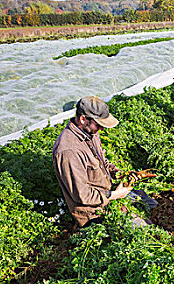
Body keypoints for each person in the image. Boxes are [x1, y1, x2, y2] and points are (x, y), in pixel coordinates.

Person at [53, 96, 157, 228]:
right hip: (93, 211)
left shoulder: (90, 132)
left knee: (152, 205)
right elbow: (83, 195)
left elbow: (102, 161)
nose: (101, 129)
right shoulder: (68, 151)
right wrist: (115, 195)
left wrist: (119, 174)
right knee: (144, 228)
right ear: (83, 119)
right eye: (99, 124)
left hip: (109, 192)